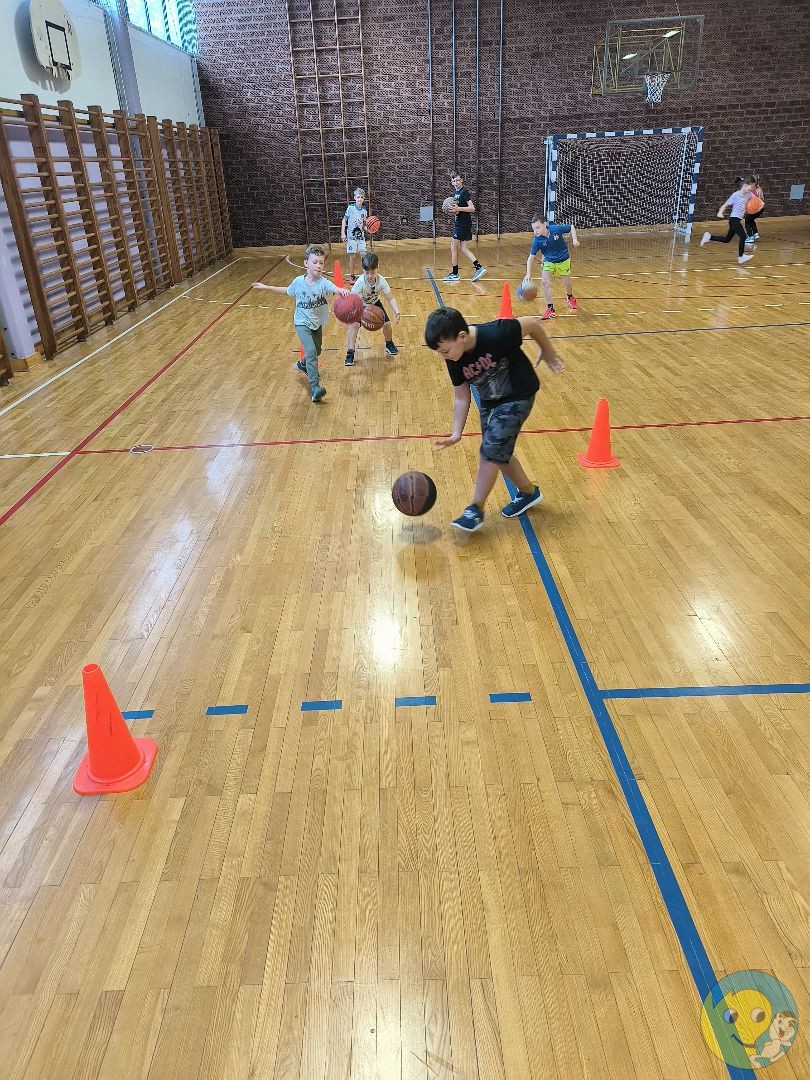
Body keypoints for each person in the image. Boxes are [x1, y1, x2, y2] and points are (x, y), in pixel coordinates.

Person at [424, 306, 564, 532]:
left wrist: (547, 350)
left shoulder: (496, 333)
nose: (444, 356)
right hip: (491, 403)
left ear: (462, 336)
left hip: (519, 395)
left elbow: (532, 324)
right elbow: (461, 396)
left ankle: (475, 509)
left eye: (445, 351)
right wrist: (456, 432)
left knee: (491, 449)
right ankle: (528, 492)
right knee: (498, 453)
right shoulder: (453, 357)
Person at [252, 245, 349, 403]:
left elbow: (334, 288)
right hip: (301, 322)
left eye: (321, 263)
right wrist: (266, 287)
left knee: (317, 351)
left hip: (316, 323)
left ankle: (302, 365)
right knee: (310, 351)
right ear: (306, 263)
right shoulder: (298, 282)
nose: (318, 265)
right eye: (315, 262)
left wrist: (342, 291)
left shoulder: (323, 283)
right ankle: (315, 388)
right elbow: (287, 291)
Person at [344, 253, 401, 366]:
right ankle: (350, 352)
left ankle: (389, 344)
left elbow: (390, 298)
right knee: (354, 326)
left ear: (377, 268)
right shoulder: (360, 283)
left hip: (374, 304)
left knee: (387, 324)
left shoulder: (382, 281)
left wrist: (396, 310)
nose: (370, 276)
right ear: (363, 270)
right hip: (360, 305)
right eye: (367, 273)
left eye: (373, 272)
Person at [525, 214, 579, 319]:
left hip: (563, 259)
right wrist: (528, 274)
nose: (535, 231)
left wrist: (575, 240)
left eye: (537, 227)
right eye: (533, 229)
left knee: (567, 283)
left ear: (545, 224)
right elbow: (531, 257)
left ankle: (570, 297)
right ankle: (550, 309)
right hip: (549, 261)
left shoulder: (556, 229)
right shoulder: (537, 240)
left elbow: (571, 227)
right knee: (544, 282)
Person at [442, 172, 487, 283]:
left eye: (458, 180)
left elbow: (472, 208)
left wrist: (458, 209)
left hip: (463, 224)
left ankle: (455, 274)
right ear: (451, 182)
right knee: (463, 248)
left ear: (462, 180)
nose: (456, 183)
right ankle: (479, 268)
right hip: (461, 223)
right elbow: (457, 208)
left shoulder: (464, 192)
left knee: (453, 246)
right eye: (454, 181)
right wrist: (453, 211)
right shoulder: (455, 193)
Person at [700, 178, 756, 264]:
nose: (752, 188)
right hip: (734, 219)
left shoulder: (749, 194)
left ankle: (709, 237)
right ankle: (741, 257)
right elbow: (725, 205)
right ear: (745, 185)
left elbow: (756, 201)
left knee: (727, 239)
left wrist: (758, 205)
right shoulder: (735, 195)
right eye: (751, 186)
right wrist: (720, 212)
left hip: (737, 220)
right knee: (743, 236)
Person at [341, 187, 368, 283]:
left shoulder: (364, 211)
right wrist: (343, 233)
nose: (360, 199)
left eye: (362, 197)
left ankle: (366, 275)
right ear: (355, 198)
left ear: (363, 198)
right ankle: (352, 277)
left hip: (360, 237)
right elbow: (344, 220)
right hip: (351, 237)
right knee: (352, 256)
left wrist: (369, 229)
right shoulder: (350, 208)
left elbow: (364, 225)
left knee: (364, 255)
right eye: (358, 197)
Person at [744, 175, 766, 244]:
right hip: (760, 208)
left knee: (747, 222)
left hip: (754, 208)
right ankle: (755, 234)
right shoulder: (759, 188)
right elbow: (761, 199)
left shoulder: (750, 189)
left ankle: (750, 237)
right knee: (751, 220)